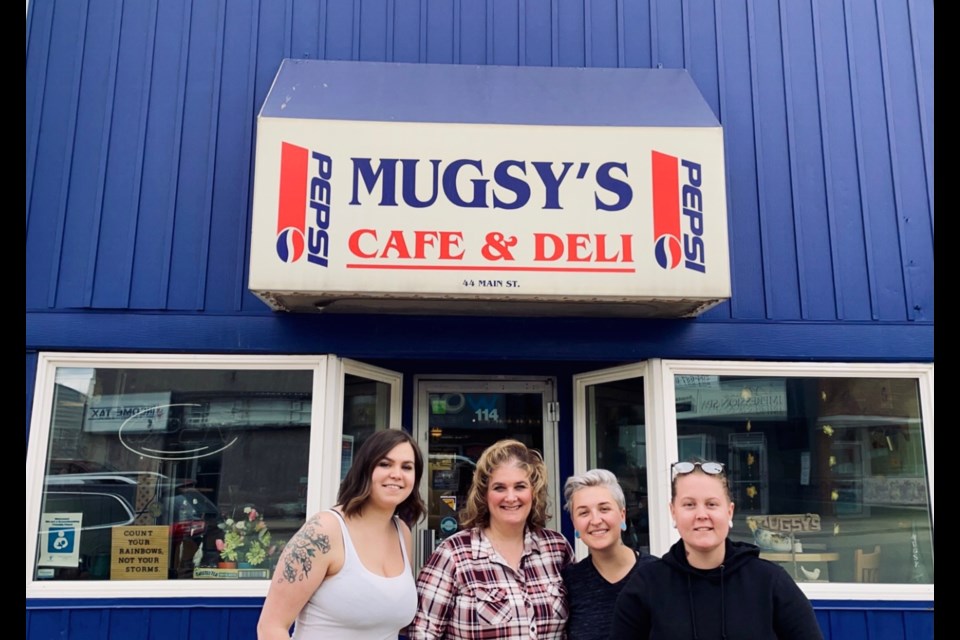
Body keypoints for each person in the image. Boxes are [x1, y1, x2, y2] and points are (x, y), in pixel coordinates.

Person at [608, 460, 824, 639]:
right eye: (689, 505)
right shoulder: (646, 586)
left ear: (729, 512)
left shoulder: (770, 582)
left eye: (711, 504)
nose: (702, 514)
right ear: (673, 512)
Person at [257, 429, 425, 640]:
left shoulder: (402, 533)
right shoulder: (324, 530)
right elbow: (271, 627)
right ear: (365, 469)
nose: (396, 474)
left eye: (407, 467)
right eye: (385, 464)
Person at [409, 439, 572, 639]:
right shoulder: (454, 554)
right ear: (484, 494)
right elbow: (422, 633)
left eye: (520, 486)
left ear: (534, 492)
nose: (510, 497)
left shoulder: (557, 548)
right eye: (499, 488)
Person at [561, 469, 656, 640]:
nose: (596, 520)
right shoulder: (569, 582)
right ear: (575, 525)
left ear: (622, 515)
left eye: (604, 509)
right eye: (584, 513)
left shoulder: (657, 574)